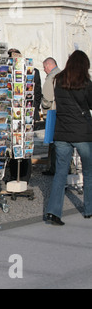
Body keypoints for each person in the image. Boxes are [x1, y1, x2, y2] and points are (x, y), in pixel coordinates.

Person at [45, 50, 92, 226]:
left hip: (62, 132)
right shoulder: (86, 82)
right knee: (88, 172)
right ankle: (89, 209)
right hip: (83, 133)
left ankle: (53, 212)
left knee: (60, 173)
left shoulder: (58, 80)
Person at [7, 48, 35, 183]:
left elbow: (36, 93)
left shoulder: (31, 71)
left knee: (24, 147)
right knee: (12, 146)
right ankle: (13, 175)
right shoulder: (7, 72)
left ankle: (24, 176)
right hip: (11, 116)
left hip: (25, 115)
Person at [41, 57, 62, 175]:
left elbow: (47, 100)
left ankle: (54, 168)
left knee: (53, 142)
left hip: (52, 112)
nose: (44, 69)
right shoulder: (62, 74)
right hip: (62, 112)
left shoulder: (50, 78)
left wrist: (42, 106)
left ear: (49, 65)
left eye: (44, 67)